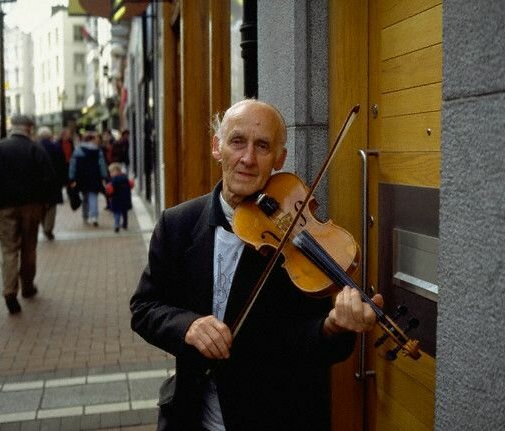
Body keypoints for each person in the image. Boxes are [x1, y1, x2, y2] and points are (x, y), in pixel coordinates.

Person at [130, 99, 384, 430]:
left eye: (262, 146)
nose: (248, 158)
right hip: (196, 418)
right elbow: (145, 308)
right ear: (216, 147)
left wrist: (334, 324)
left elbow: (306, 344)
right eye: (237, 142)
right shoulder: (177, 225)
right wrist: (186, 326)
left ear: (279, 158)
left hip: (275, 417)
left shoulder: (296, 235)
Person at [0, 114, 56, 314]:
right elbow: (49, 177)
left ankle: (9, 291)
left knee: (9, 249)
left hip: (5, 207)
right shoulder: (35, 148)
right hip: (32, 206)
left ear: (13, 127)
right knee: (29, 248)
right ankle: (27, 286)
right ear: (29, 128)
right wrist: (46, 202)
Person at [69, 127, 108, 226]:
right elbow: (102, 165)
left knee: (85, 197)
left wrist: (72, 178)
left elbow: (72, 165)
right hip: (95, 177)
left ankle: (85, 216)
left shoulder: (77, 151)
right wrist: (104, 176)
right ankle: (94, 216)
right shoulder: (98, 151)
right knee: (93, 196)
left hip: (81, 178)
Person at [37, 126, 68, 241]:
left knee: (40, 204)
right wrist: (64, 180)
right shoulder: (56, 147)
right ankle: (48, 228)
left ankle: (44, 224)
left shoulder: (35, 147)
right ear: (50, 136)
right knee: (52, 205)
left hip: (39, 182)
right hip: (54, 181)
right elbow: (62, 164)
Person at [106, 162, 132, 232]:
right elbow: (131, 184)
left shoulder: (113, 181)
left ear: (116, 171)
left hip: (116, 200)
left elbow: (110, 190)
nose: (110, 174)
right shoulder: (125, 178)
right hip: (125, 200)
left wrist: (107, 191)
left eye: (111, 172)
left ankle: (116, 225)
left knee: (116, 213)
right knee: (124, 213)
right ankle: (125, 224)